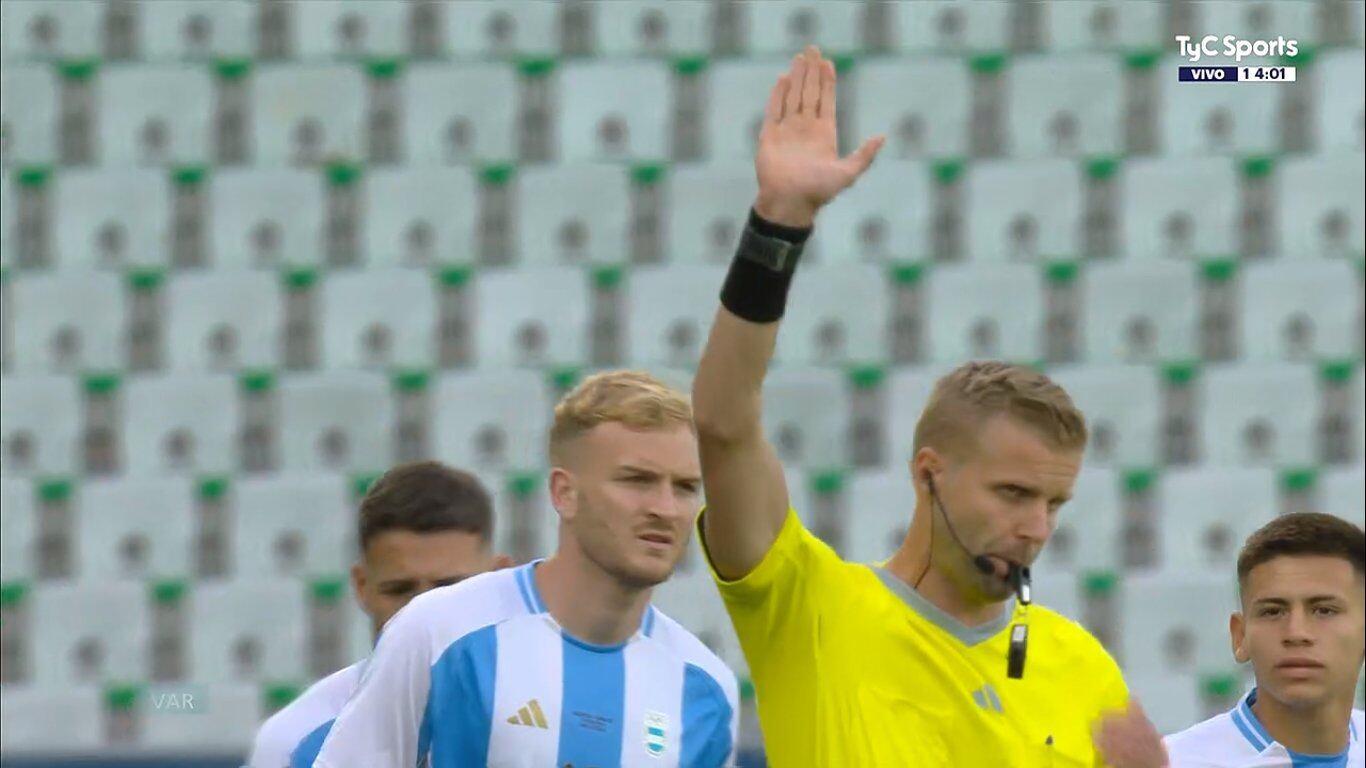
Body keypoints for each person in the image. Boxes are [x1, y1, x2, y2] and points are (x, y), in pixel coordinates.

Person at [690, 45, 1131, 765]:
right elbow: (722, 422)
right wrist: (779, 223)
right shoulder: (809, 609)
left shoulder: (1081, 667)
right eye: (1014, 493)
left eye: (1055, 504)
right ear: (929, 472)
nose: (1035, 527)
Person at [311, 370, 739, 767]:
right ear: (563, 493)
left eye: (684, 487)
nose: (665, 509)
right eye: (636, 480)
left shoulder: (705, 688)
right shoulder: (440, 632)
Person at [247, 461, 511, 768]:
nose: (422, 618)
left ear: (499, 581)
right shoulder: (293, 744)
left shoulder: (567, 712)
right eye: (399, 590)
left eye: (449, 589)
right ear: (362, 586)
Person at [1095, 513, 1365, 768]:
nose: (1296, 633)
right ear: (1240, 636)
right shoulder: (1175, 762)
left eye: (1324, 611)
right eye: (1272, 612)